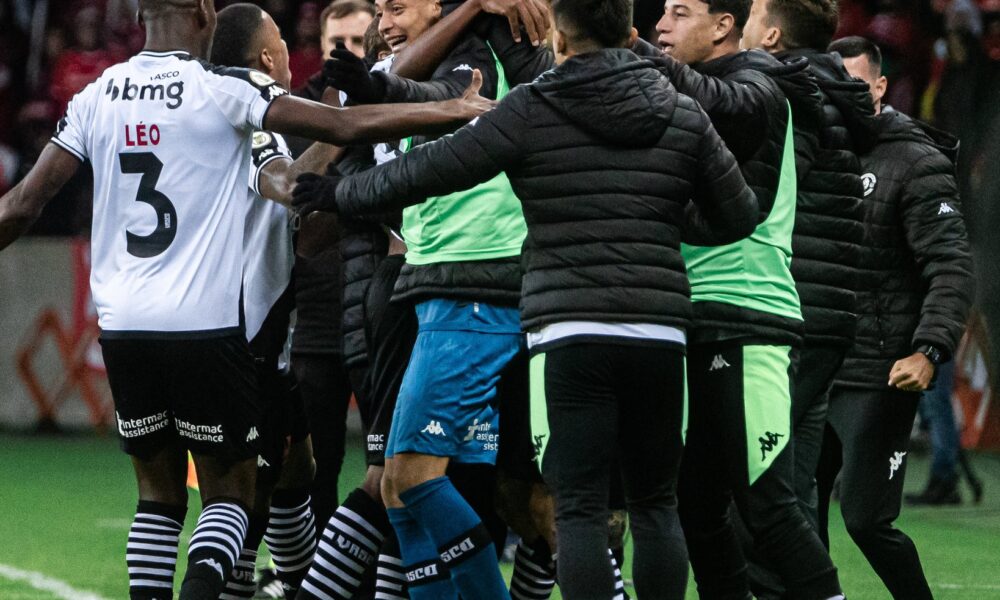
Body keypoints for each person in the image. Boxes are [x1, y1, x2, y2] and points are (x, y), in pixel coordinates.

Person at [0, 0, 492, 595]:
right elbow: (314, 157)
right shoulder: (228, 91)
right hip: (217, 328)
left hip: (124, 327)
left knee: (168, 495)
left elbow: (20, 206)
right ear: (204, 11)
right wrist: (452, 110)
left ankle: (290, 582)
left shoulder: (98, 93)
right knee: (233, 495)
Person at [292, 3, 759, 599]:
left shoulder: (537, 105)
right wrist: (659, 218)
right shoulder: (681, 109)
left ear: (560, 33)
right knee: (651, 507)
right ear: (632, 34)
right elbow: (740, 213)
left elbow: (438, 167)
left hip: (557, 325)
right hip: (660, 330)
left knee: (574, 508)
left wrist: (342, 191)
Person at [651, 1, 846, 598]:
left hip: (745, 313)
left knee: (769, 504)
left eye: (678, 12)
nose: (661, 25)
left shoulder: (757, 92)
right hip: (698, 314)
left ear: (723, 26)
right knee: (699, 506)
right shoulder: (721, 93)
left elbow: (736, 214)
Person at [819, 36, 974, 600]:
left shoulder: (916, 160)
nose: (840, 97)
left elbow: (951, 266)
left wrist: (928, 349)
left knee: (864, 520)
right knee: (787, 513)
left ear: (881, 87)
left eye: (855, 85)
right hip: (812, 362)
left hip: (879, 371)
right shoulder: (809, 150)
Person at [738, 1, 876, 595]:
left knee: (758, 493)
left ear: (771, 34)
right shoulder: (828, 94)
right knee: (790, 488)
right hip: (822, 316)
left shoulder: (787, 95)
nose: (739, 21)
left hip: (790, 313)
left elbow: (757, 200)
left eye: (749, 14)